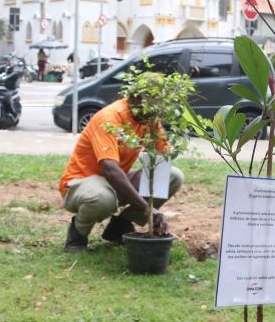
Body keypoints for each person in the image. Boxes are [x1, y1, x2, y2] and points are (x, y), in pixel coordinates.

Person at [59, 94, 184, 252]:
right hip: (80, 183)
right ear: (133, 98)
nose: (152, 113)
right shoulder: (109, 118)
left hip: (114, 182)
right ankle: (77, 235)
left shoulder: (148, 117)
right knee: (103, 198)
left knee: (172, 176)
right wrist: (147, 208)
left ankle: (120, 226)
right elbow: (110, 169)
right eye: (148, 105)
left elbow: (161, 159)